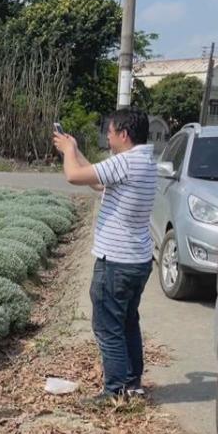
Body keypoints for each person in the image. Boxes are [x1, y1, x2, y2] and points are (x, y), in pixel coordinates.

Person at [52, 108, 156, 405]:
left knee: (108, 326)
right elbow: (97, 180)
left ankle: (114, 392)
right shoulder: (144, 160)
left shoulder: (125, 162)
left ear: (123, 134)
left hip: (117, 261)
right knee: (127, 323)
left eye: (110, 133)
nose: (107, 138)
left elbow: (73, 176)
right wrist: (77, 151)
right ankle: (132, 384)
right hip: (137, 260)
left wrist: (68, 151)